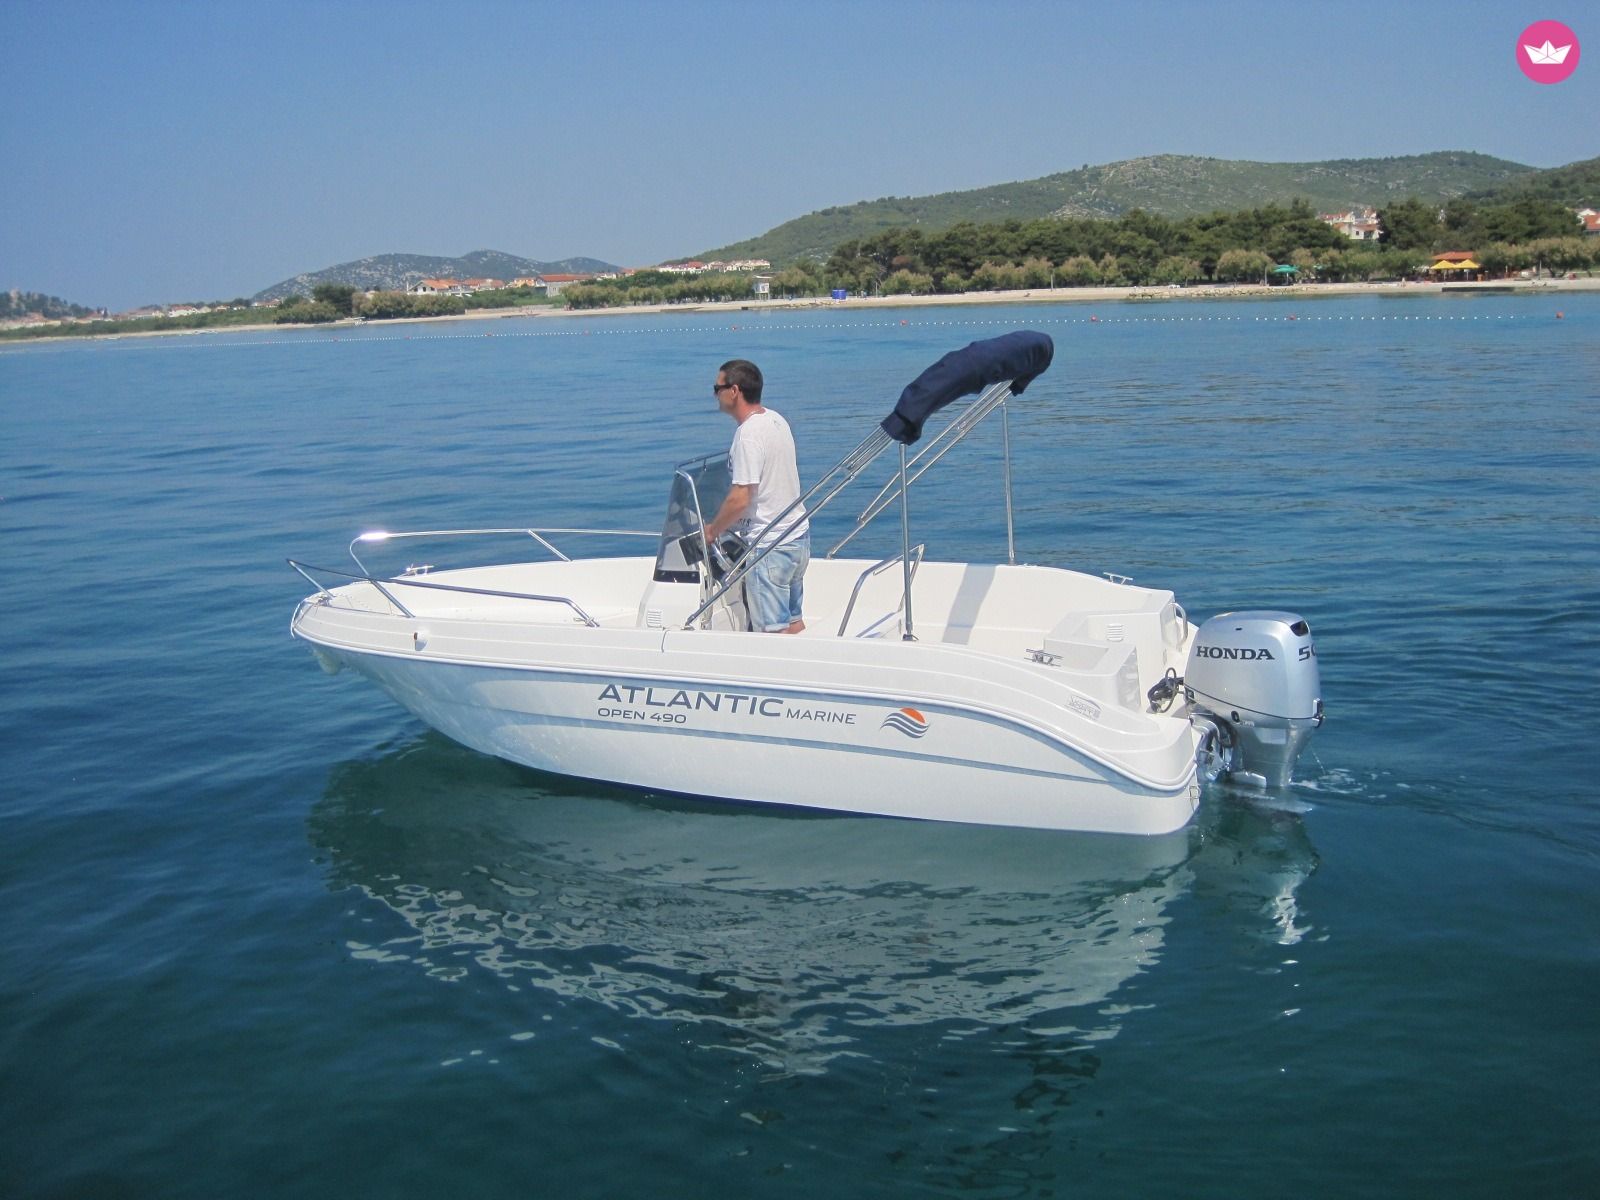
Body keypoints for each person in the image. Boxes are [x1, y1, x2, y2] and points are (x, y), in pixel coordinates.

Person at [702, 359, 810, 634]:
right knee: (793, 622)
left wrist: (713, 530)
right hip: (796, 538)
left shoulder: (748, 435)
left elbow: (741, 496)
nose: (715, 394)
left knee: (772, 635)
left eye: (717, 387)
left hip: (770, 546)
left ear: (734, 391)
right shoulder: (775, 420)